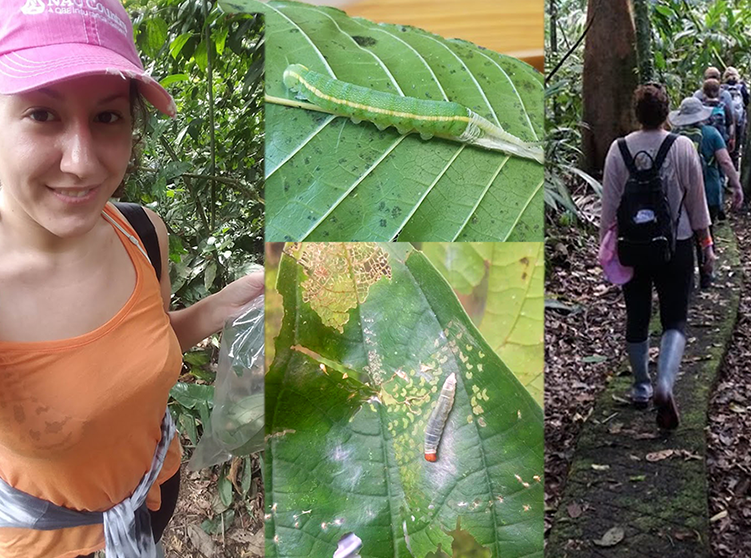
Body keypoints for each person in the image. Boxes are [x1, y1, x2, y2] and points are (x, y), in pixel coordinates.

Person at [0, 1, 263, 557]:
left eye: (107, 116)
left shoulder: (141, 230)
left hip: (151, 495)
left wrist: (221, 307)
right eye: (42, 115)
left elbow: (142, 342)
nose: (82, 162)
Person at [600, 84, 714, 430]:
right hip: (675, 245)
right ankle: (665, 382)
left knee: (636, 315)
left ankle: (640, 387)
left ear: (637, 115)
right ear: (667, 114)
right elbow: (697, 200)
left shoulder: (617, 150)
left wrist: (607, 246)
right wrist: (706, 244)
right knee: (675, 318)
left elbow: (609, 206)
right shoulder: (682, 147)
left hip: (632, 247)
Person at [669, 96, 743, 287]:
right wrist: (736, 186)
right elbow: (725, 162)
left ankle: (685, 278)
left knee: (683, 234)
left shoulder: (673, 136)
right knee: (706, 231)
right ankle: (706, 274)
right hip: (708, 191)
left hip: (680, 194)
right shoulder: (711, 133)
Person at [694, 66, 735, 153]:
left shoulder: (698, 95)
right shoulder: (725, 96)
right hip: (721, 139)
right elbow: (731, 119)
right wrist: (732, 137)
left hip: (703, 139)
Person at [722, 66, 749, 170]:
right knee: (737, 146)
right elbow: (746, 101)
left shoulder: (722, 88)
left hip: (727, 121)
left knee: (726, 145)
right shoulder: (741, 86)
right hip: (739, 120)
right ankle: (735, 169)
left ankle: (726, 171)